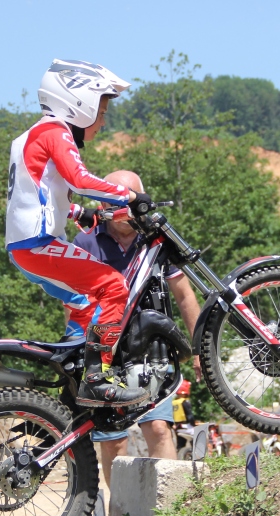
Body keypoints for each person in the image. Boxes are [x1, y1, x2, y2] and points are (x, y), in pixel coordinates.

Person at [5, 59, 153, 407]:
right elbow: (81, 180)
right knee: (114, 286)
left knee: (86, 303)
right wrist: (131, 197)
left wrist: (78, 212)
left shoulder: (33, 135)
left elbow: (37, 194)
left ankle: (73, 380)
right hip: (39, 246)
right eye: (101, 112)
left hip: (29, 245)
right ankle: (97, 378)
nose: (103, 121)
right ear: (78, 103)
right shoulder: (54, 131)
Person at [69, 170, 202, 486]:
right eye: (112, 202)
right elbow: (73, 302)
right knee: (113, 441)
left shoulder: (156, 238)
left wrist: (199, 350)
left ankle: (171, 506)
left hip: (151, 350)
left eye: (127, 201)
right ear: (102, 204)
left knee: (158, 428)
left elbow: (184, 295)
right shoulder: (86, 241)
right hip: (104, 351)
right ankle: (120, 510)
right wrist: (78, 350)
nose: (120, 210)